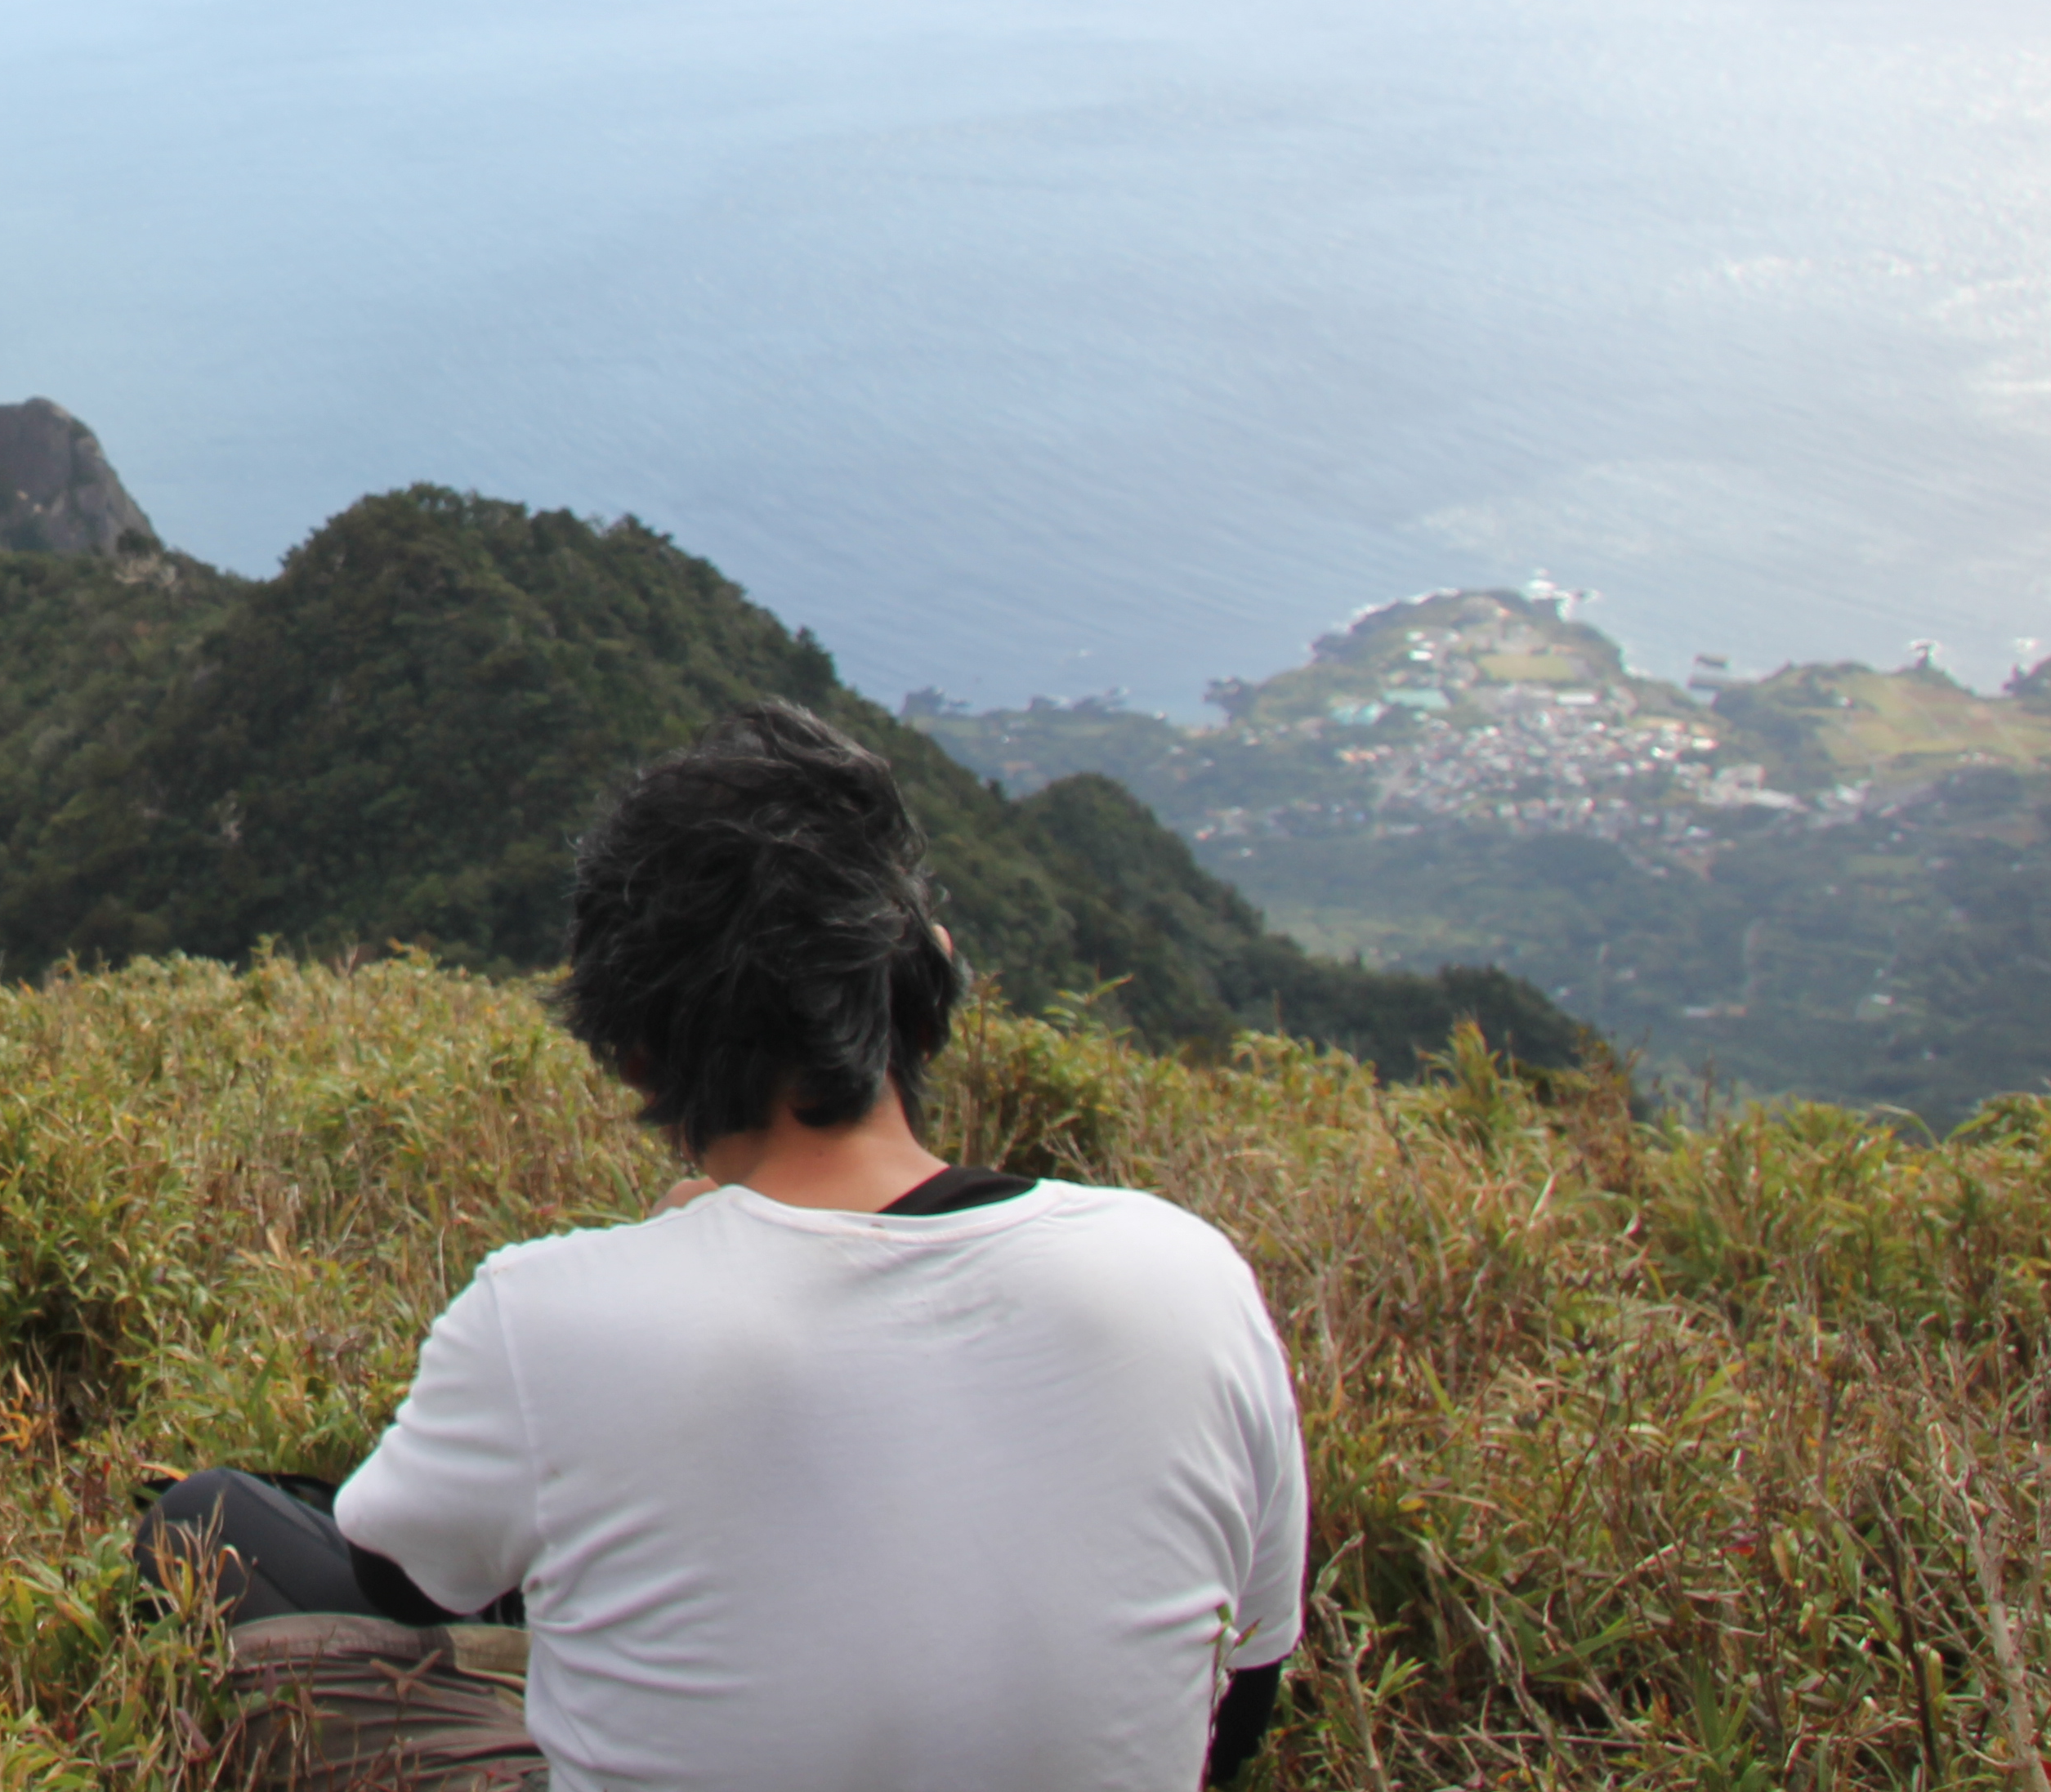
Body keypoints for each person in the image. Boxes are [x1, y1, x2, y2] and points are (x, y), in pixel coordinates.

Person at [141, 702, 1306, 1791]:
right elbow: (1238, 1707)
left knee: (211, 1523)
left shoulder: (555, 1316)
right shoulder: (1190, 1277)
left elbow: (402, 1580)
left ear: (632, 1054)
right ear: (931, 972)